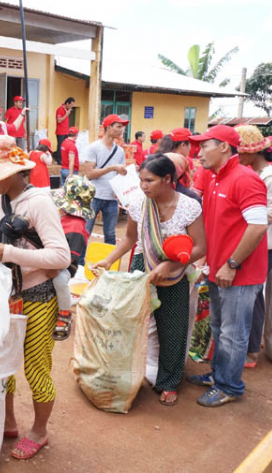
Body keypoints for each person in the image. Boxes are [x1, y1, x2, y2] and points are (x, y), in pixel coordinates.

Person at [0, 135, 70, 461]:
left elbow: (60, 256)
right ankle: (8, 421)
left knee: (35, 369)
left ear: (14, 171)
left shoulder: (38, 203)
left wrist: (9, 252)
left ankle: (40, 431)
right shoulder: (3, 199)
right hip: (8, 296)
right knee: (3, 366)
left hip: (38, 297)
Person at [95, 155, 206, 406]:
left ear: (168, 179)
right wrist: (108, 260)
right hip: (142, 268)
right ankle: (126, 377)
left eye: (149, 180)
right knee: (131, 325)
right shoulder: (137, 203)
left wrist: (172, 265)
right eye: (141, 180)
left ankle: (169, 382)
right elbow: (129, 239)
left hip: (175, 274)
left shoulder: (189, 206)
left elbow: (200, 247)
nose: (143, 186)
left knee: (173, 329)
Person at [186, 125, 268, 407]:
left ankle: (230, 386)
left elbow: (257, 226)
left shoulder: (245, 179)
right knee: (220, 328)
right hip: (218, 269)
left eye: (204, 146)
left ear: (223, 147)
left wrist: (232, 264)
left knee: (233, 334)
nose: (198, 152)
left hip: (239, 273)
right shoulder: (214, 178)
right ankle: (220, 375)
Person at [234, 126, 272, 368]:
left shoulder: (270, 177)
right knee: (251, 298)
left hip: (264, 247)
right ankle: (251, 344)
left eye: (241, 152)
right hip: (254, 244)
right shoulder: (253, 172)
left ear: (253, 152)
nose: (238, 156)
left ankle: (252, 350)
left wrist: (249, 219)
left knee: (252, 299)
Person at [51, 175, 95, 340]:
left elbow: (71, 257)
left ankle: (64, 312)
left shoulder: (76, 226)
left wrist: (52, 265)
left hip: (65, 265)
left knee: (59, 280)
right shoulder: (60, 217)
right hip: (50, 257)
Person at [83, 114, 129, 247]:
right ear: (109, 128)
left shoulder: (119, 151)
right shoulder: (94, 148)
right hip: (93, 196)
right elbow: (89, 173)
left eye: (123, 127)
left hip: (112, 199)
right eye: (119, 126)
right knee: (86, 231)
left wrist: (120, 191)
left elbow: (120, 175)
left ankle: (109, 264)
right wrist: (111, 168)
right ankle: (79, 264)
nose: (122, 130)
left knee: (110, 234)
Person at [54, 97, 75, 164]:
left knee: (65, 146)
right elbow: (59, 120)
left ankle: (58, 157)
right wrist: (66, 114)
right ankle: (58, 159)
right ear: (67, 103)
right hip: (60, 132)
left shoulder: (66, 110)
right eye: (71, 105)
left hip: (65, 132)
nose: (71, 107)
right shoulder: (60, 109)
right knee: (60, 146)